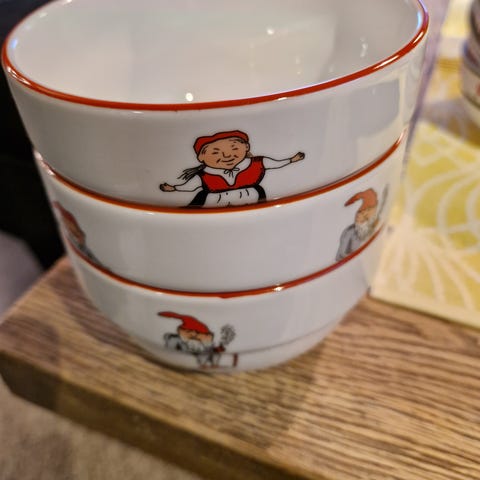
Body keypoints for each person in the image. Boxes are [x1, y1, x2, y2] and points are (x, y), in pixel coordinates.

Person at [160, 130, 304, 207]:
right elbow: (190, 187)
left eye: (234, 148)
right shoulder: (203, 175)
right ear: (201, 157)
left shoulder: (258, 163)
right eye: (215, 152)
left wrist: (291, 160)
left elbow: (276, 163)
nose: (227, 155)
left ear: (246, 147)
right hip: (213, 204)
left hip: (253, 201)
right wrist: (174, 188)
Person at [159, 311, 236, 368]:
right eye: (189, 332)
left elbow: (211, 349)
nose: (194, 335)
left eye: (199, 334)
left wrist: (218, 349)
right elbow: (169, 348)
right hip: (177, 359)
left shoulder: (207, 344)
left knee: (212, 353)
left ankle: (213, 364)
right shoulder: (175, 340)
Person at [336, 188, 385, 261]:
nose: (357, 215)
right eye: (359, 212)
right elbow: (340, 255)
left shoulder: (371, 227)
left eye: (361, 212)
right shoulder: (349, 232)